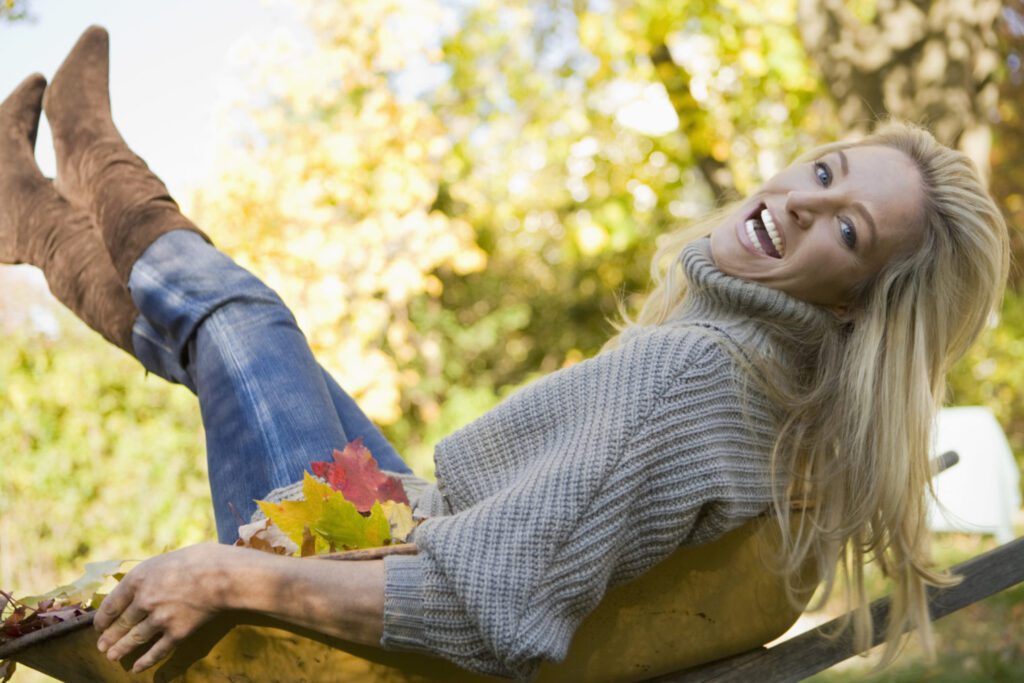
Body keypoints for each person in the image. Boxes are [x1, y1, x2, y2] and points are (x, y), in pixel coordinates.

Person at [0, 26, 1008, 680]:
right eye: (823, 171)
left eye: (844, 231)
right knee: (268, 349)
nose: (796, 202)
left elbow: (486, 604)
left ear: (855, 307)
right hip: (402, 525)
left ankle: (92, 169)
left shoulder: (692, 376)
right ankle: (43, 219)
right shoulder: (760, 384)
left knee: (243, 326)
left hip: (363, 636)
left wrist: (225, 575)